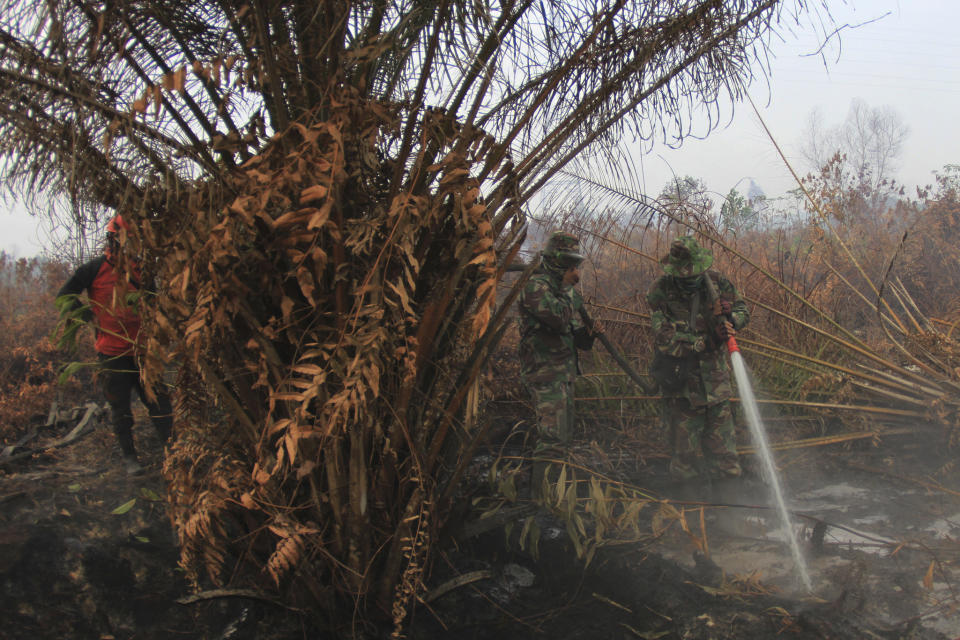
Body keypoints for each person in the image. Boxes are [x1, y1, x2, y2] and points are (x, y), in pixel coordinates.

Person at [57, 215, 172, 475]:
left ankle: (172, 453)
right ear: (114, 239)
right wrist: (87, 315)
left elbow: (153, 303)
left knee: (160, 405)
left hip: (143, 351)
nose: (131, 244)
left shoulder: (142, 270)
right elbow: (64, 296)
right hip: (111, 354)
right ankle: (130, 459)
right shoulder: (93, 269)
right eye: (127, 239)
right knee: (120, 409)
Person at [646, 235, 749, 481]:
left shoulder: (717, 282)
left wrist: (731, 319)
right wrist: (705, 342)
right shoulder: (660, 291)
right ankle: (689, 511)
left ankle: (727, 510)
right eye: (684, 275)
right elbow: (665, 338)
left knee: (726, 461)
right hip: (683, 390)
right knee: (685, 464)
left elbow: (743, 310)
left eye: (693, 273)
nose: (689, 278)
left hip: (716, 386)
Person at [518, 231, 599, 494]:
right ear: (556, 261)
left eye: (575, 265)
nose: (574, 271)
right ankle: (542, 500)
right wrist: (571, 294)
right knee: (551, 440)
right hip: (545, 374)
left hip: (562, 375)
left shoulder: (561, 291)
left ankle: (555, 494)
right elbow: (558, 318)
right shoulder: (537, 286)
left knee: (562, 440)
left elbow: (574, 336)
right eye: (569, 265)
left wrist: (589, 333)